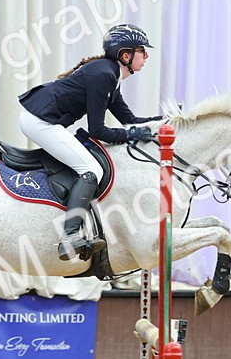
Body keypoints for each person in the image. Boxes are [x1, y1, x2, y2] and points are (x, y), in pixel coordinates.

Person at [18, 23, 163, 261]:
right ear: (125, 55)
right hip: (39, 120)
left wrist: (164, 122)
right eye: (142, 51)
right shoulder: (104, 74)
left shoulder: (112, 74)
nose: (146, 56)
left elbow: (130, 120)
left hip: (43, 118)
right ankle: (70, 237)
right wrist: (134, 135)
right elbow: (98, 130)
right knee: (91, 169)